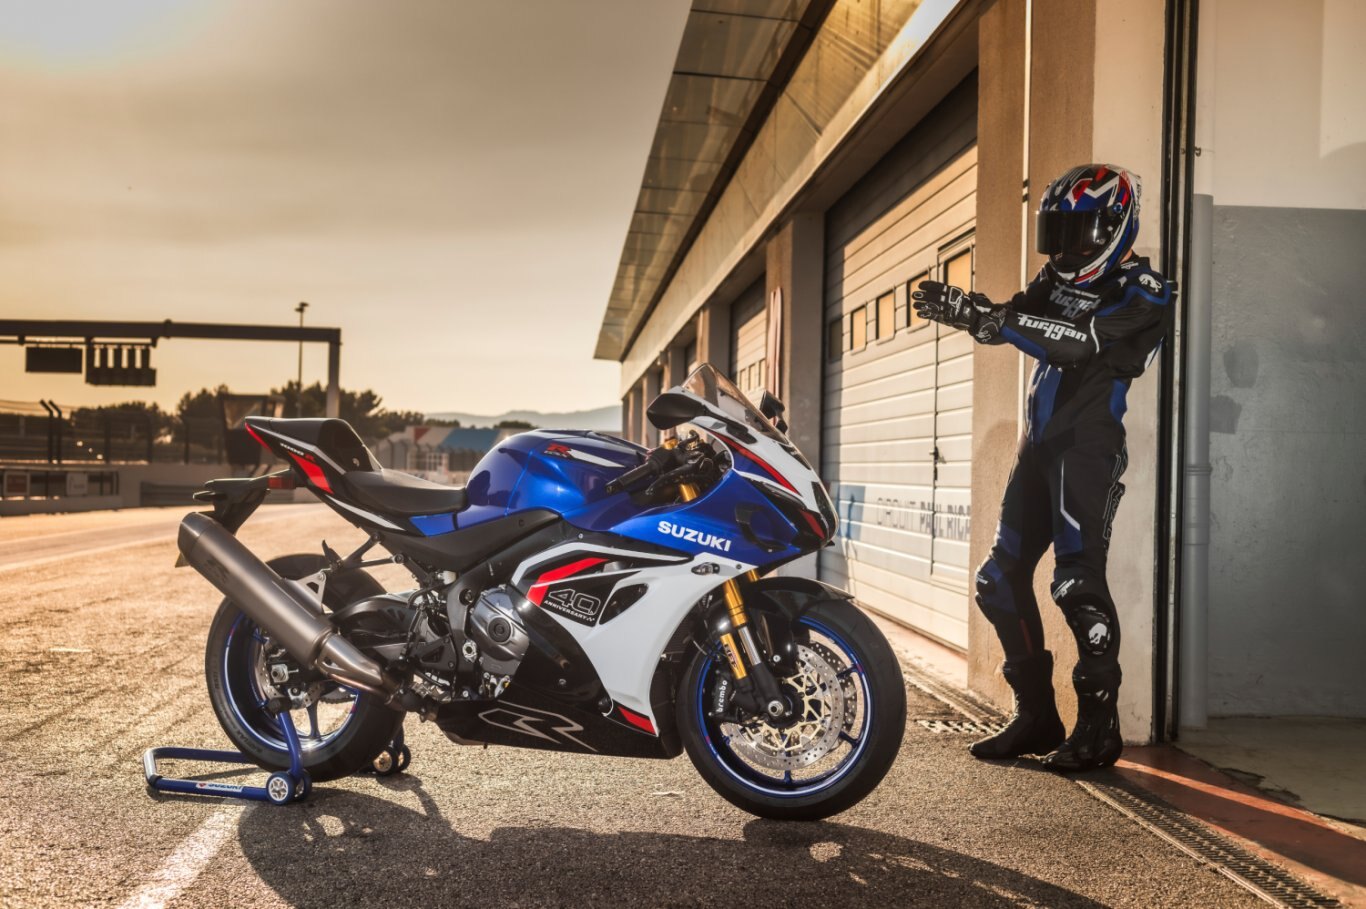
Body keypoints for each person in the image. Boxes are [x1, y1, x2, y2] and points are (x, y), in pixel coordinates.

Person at [911, 164, 1174, 771]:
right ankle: (1036, 718)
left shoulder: (1146, 290)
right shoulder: (1054, 277)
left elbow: (1078, 342)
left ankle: (1099, 731)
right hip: (1037, 447)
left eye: (1076, 232)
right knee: (997, 581)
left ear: (1115, 226)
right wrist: (974, 312)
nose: (1063, 248)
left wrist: (993, 319)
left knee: (1076, 585)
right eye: (1055, 233)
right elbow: (1015, 321)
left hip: (1086, 450)